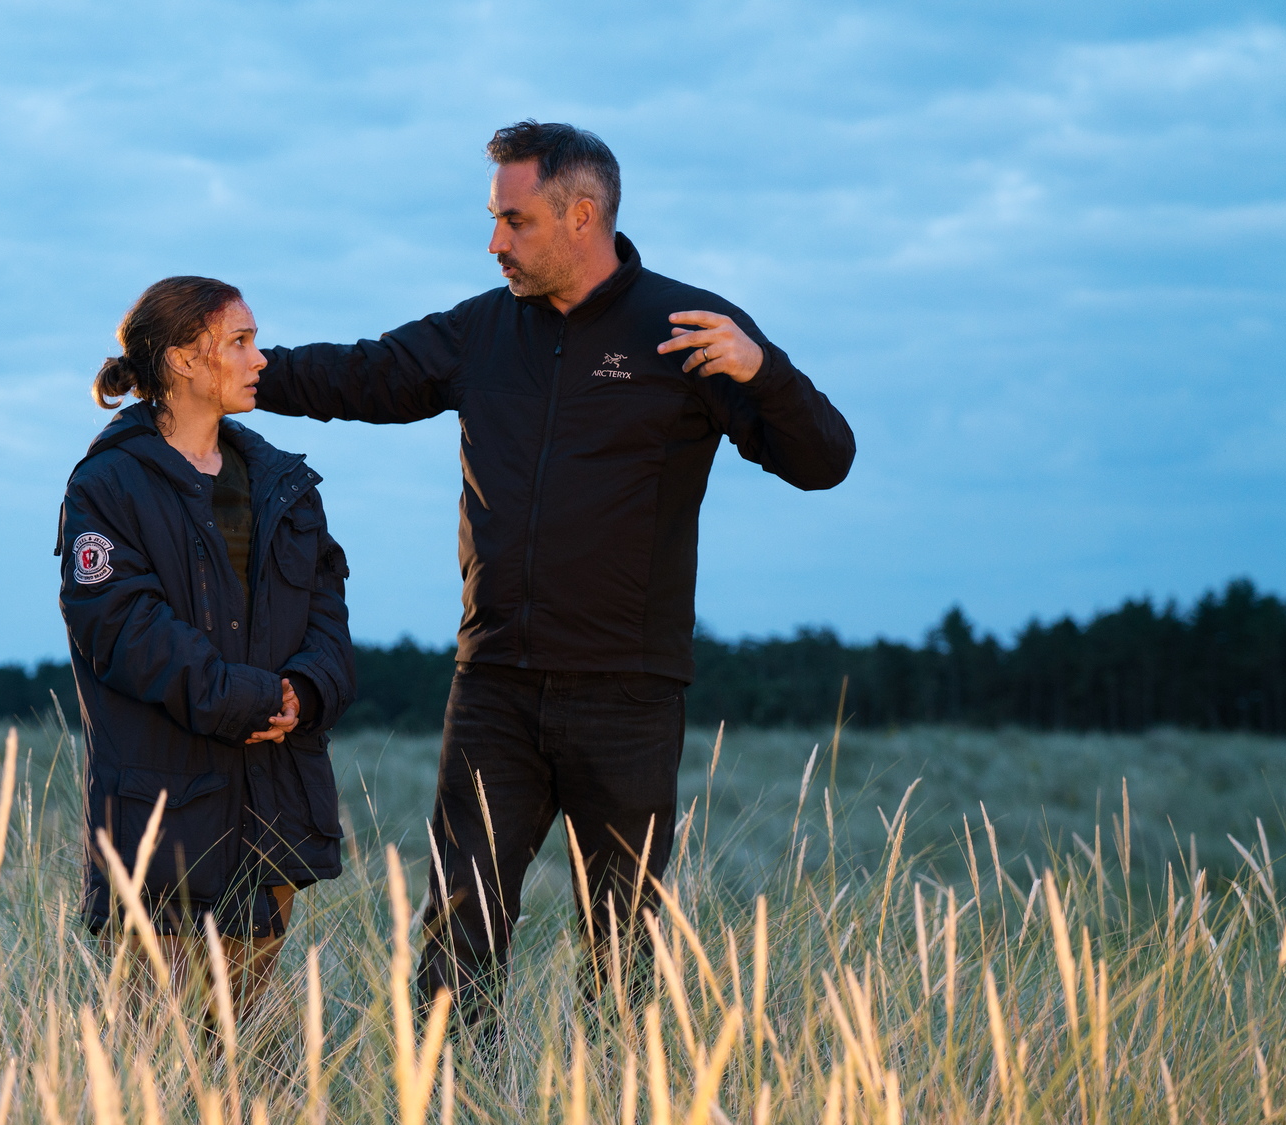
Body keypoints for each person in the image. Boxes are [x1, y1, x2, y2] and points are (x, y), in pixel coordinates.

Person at [254, 121, 856, 1027]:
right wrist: (227, 375)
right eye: (494, 220)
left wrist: (764, 371)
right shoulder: (482, 331)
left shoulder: (686, 328)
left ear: (582, 215)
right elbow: (360, 376)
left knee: (623, 945)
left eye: (514, 221)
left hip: (628, 693)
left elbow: (825, 460)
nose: (494, 242)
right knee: (459, 932)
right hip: (494, 685)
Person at [58, 276, 355, 1024]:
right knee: (152, 1039)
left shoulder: (284, 484)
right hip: (165, 810)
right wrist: (251, 700)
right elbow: (122, 628)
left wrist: (304, 694)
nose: (262, 359)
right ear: (185, 360)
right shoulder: (109, 484)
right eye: (241, 342)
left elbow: (327, 613)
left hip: (274, 797)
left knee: (247, 1031)